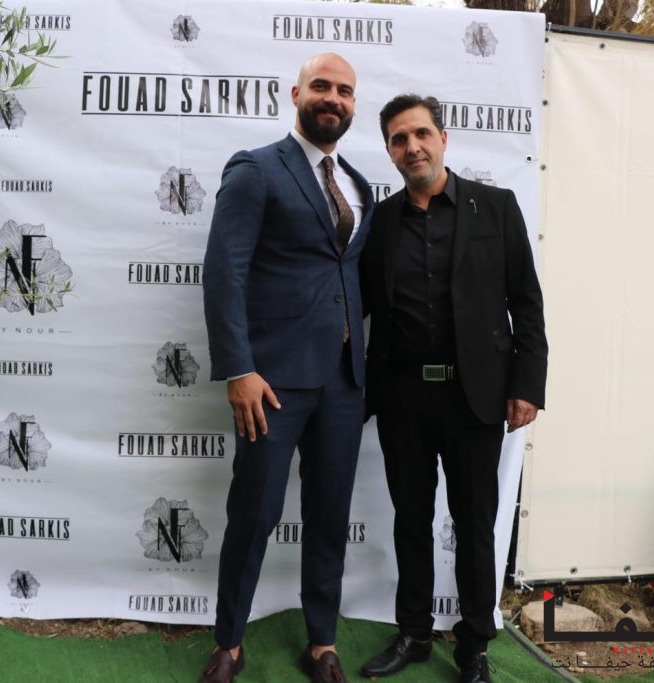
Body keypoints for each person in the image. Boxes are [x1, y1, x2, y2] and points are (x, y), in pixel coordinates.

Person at [358, 94, 547, 683]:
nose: (412, 147)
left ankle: (474, 646)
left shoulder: (497, 207)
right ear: (389, 151)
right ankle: (414, 633)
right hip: (402, 397)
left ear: (443, 138)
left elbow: (527, 303)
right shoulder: (379, 221)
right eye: (399, 139)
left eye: (421, 134)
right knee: (410, 520)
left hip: (475, 398)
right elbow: (356, 305)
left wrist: (527, 385)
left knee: (475, 522)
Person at [200, 52, 373, 683]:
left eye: (345, 91)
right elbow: (224, 273)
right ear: (296, 94)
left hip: (345, 384)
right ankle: (228, 643)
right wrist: (238, 369)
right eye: (321, 86)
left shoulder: (359, 184)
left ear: (353, 105)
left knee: (329, 517)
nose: (333, 98)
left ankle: (323, 642)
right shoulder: (256, 169)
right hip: (271, 384)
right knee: (255, 514)